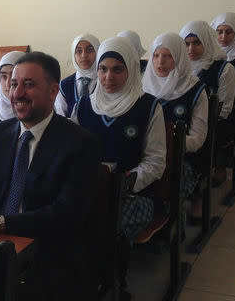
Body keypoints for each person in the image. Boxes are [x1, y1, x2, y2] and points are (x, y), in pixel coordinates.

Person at [0, 52, 101, 300]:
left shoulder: (80, 144)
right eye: (14, 84)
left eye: (29, 85)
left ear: (52, 91)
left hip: (50, 251)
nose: (17, 94)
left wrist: (0, 223)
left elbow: (66, 215)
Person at [73, 36, 166, 300]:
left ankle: (113, 282)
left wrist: (124, 182)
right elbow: (70, 151)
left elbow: (156, 162)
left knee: (106, 222)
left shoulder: (148, 107)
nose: (108, 77)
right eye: (103, 69)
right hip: (90, 190)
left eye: (117, 69)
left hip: (134, 194)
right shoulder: (83, 106)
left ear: (131, 70)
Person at [142, 32, 208, 218]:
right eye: (156, 56)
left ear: (179, 57)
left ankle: (171, 217)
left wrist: (167, 144)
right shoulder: (141, 88)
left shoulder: (194, 90)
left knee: (170, 180)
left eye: (168, 56)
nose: (160, 62)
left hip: (182, 156)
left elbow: (198, 138)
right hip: (146, 155)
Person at [180, 20, 235, 186]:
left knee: (211, 133)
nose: (190, 49)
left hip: (214, 120)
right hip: (183, 119)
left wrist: (200, 120)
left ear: (207, 41)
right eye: (186, 44)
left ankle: (208, 171)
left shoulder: (225, 69)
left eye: (197, 43)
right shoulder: (179, 67)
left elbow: (225, 108)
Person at [54, 33, 100, 118]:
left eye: (89, 50)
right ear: (73, 55)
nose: (84, 55)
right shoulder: (64, 86)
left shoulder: (106, 81)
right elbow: (61, 117)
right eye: (79, 51)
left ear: (98, 51)